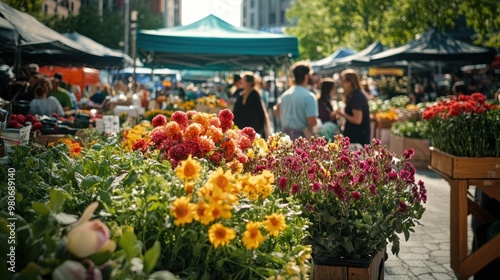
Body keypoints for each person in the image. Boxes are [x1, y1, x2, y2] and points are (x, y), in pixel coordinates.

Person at [274, 61, 318, 140]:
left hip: (285, 137)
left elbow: (276, 112)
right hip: (302, 138)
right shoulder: (309, 96)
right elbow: (312, 122)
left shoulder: (285, 94)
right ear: (306, 76)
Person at [336, 69, 370, 145]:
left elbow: (357, 120)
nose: (342, 83)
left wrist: (343, 113)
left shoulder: (356, 96)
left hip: (357, 140)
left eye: (343, 80)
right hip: (356, 138)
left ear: (350, 82)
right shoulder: (355, 95)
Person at [232, 72, 269, 138]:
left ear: (249, 82)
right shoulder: (241, 94)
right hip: (242, 129)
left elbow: (260, 113)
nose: (240, 81)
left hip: (253, 130)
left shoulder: (254, 94)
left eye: (243, 80)